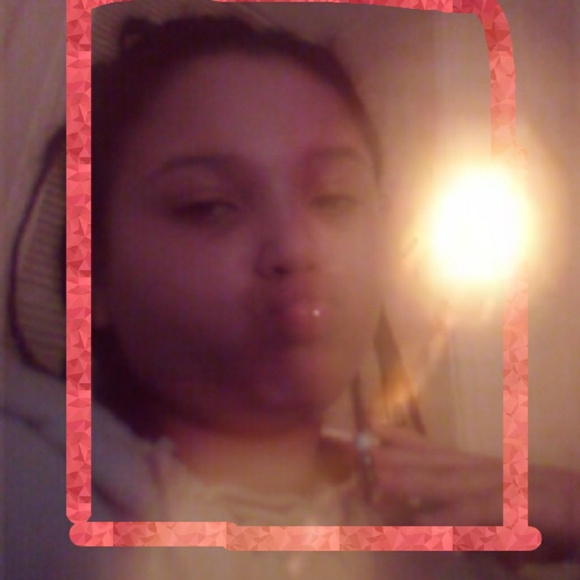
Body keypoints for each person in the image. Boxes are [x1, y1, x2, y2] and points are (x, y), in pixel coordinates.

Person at [4, 12, 579, 580]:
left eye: (333, 198)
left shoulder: (458, 528)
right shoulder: (29, 483)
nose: (296, 247)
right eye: (209, 206)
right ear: (92, 277)